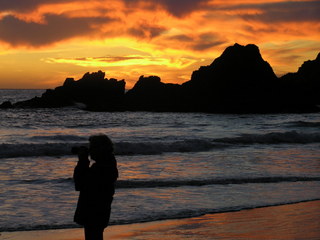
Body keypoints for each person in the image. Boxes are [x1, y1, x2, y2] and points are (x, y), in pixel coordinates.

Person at [73, 134, 118, 240]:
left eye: (92, 147)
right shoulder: (108, 164)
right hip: (99, 211)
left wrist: (82, 161)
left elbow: (80, 183)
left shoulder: (101, 167)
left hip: (94, 212)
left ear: (100, 149)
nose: (90, 150)